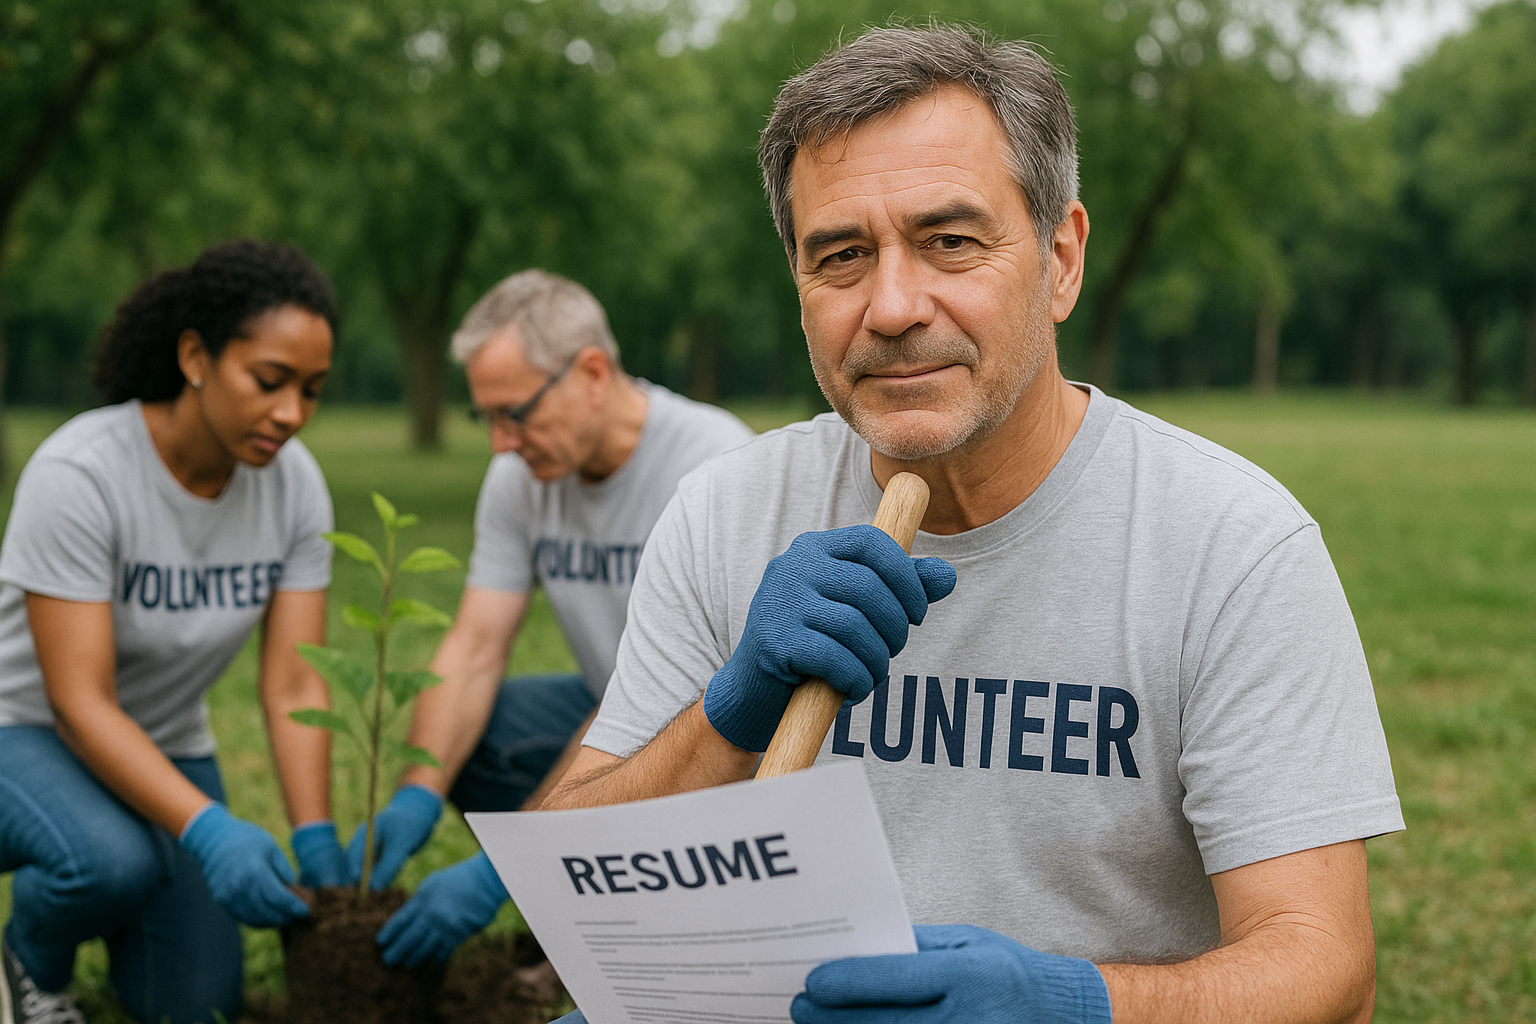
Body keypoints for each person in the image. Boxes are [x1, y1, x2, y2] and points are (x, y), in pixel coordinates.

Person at [544, 24, 1404, 1024]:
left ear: (1062, 259)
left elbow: (1326, 964)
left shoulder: (1230, 544)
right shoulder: (727, 510)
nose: (895, 306)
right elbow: (575, 889)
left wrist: (1070, 1003)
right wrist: (730, 711)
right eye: (841, 256)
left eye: (950, 241)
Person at [348, 269, 754, 967]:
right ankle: (579, 899)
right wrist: (418, 792)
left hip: (718, 743)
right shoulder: (523, 479)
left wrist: (515, 862)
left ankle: (622, 920)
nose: (501, 443)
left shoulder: (713, 466)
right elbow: (475, 646)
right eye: (487, 418)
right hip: (608, 704)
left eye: (517, 413)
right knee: (469, 734)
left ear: (592, 372)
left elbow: (682, 710)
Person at [0, 240, 349, 1024]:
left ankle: (112, 885)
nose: (291, 414)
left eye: (312, 391)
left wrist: (316, 836)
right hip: (20, 731)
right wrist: (206, 827)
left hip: (160, 738)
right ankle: (30, 961)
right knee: (106, 862)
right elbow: (78, 703)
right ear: (195, 355)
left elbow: (294, 680)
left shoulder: (295, 490)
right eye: (269, 381)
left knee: (196, 1004)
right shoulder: (82, 475)